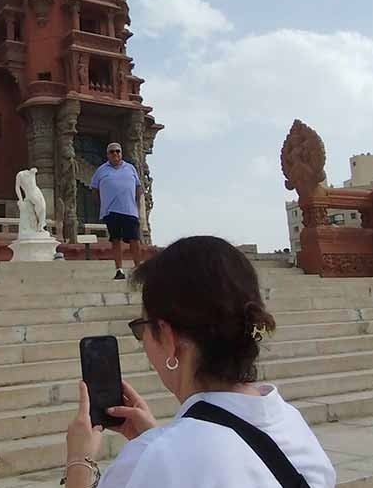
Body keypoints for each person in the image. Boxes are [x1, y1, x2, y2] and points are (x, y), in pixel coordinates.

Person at [63, 236, 337, 488]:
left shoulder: (153, 461)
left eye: (142, 327)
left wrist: (79, 461)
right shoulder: (290, 421)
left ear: (169, 339)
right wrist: (159, 439)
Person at [91, 143, 142, 280]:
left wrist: (136, 204)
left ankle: (138, 268)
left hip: (130, 210)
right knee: (116, 240)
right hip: (111, 211)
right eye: (112, 152)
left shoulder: (130, 168)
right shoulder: (101, 171)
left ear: (121, 153)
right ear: (108, 155)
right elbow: (94, 190)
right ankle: (119, 269)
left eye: (118, 151)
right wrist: (102, 205)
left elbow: (138, 187)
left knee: (134, 239)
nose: (115, 154)